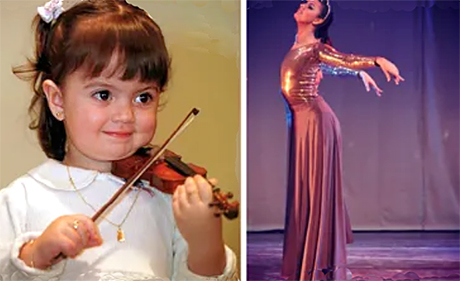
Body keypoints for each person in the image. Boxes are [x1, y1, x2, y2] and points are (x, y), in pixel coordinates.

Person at [0, 0, 238, 280]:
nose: (125, 115)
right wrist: (36, 255)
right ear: (57, 100)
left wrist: (204, 240)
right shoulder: (23, 199)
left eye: (143, 97)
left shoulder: (165, 201)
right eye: (103, 94)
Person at [279, 0, 404, 280]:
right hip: (301, 122)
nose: (302, 5)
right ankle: (307, 259)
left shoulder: (316, 48)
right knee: (304, 191)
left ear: (318, 20)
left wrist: (375, 61)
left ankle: (318, 262)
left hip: (314, 122)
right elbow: (335, 66)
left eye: (310, 6)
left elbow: (341, 59)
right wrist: (358, 73)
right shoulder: (300, 46)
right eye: (305, 2)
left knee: (314, 191)